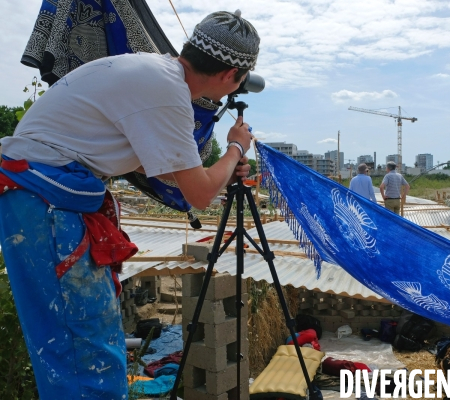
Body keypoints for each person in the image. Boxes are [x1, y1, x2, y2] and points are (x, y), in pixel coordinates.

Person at [0, 10, 259, 399]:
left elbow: (165, 169)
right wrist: (236, 145)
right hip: (49, 205)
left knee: (69, 347)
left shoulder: (152, 73)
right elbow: (200, 195)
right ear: (230, 75)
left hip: (38, 199)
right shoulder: (168, 94)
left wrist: (216, 171)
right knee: (86, 352)